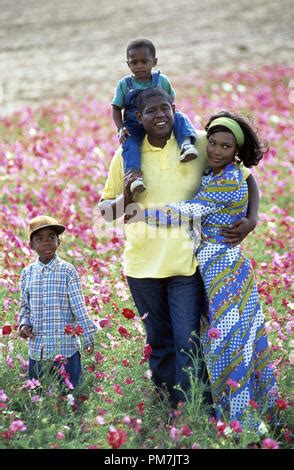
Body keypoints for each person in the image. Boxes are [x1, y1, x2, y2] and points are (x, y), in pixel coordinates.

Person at [99, 87, 259, 408]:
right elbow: (106, 212)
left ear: (174, 109)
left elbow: (245, 174)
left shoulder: (198, 144)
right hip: (142, 266)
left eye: (165, 109)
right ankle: (170, 410)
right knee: (159, 343)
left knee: (188, 342)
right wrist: (127, 198)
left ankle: (196, 409)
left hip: (186, 265)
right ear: (138, 118)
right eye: (150, 112)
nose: (159, 116)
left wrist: (252, 219)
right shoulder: (125, 156)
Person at [140, 111, 278, 425]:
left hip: (225, 270)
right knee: (230, 341)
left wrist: (138, 212)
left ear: (236, 152)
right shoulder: (215, 172)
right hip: (213, 268)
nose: (215, 150)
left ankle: (240, 422)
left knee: (228, 344)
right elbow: (247, 178)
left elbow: (188, 210)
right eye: (213, 143)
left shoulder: (228, 178)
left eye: (225, 147)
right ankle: (240, 416)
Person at [19, 215, 98, 389]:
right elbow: (24, 306)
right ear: (31, 245)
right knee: (38, 396)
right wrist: (23, 325)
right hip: (38, 350)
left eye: (51, 237)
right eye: (39, 239)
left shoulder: (67, 271)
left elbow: (79, 307)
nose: (46, 242)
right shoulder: (27, 273)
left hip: (66, 349)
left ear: (59, 242)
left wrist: (87, 337)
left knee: (70, 394)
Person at [112, 38, 198, 193]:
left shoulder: (162, 80)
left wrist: (168, 114)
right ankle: (133, 175)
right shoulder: (124, 85)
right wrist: (120, 128)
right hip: (134, 123)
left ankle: (186, 145)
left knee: (180, 118)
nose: (139, 66)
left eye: (144, 61)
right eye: (134, 62)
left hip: (159, 120)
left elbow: (170, 101)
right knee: (129, 144)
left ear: (154, 61)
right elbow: (116, 108)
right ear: (128, 64)